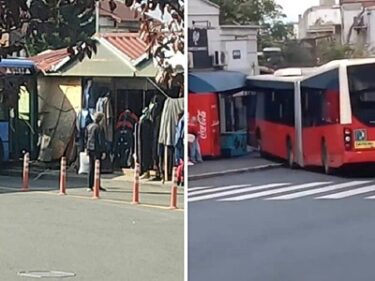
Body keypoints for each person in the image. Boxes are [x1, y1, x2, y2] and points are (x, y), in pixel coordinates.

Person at [86, 112, 107, 192]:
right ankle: (97, 184)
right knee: (97, 168)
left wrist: (87, 148)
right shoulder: (99, 128)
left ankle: (90, 185)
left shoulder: (89, 126)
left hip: (90, 148)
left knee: (91, 167)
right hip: (97, 150)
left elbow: (86, 138)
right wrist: (104, 151)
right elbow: (101, 140)